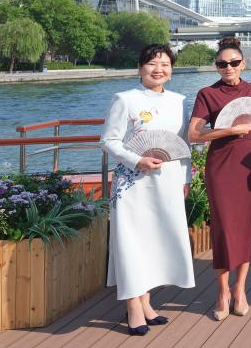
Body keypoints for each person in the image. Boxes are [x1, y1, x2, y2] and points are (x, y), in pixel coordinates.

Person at [101, 44, 194, 336]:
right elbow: (109, 140)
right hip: (133, 183)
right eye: (152, 63)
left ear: (172, 70)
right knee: (131, 243)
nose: (158, 69)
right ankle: (133, 306)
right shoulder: (125, 99)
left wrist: (186, 178)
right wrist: (136, 159)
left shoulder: (180, 101)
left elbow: (184, 146)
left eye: (165, 64)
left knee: (155, 243)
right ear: (140, 68)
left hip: (167, 182)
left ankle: (146, 302)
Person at [188, 37, 251, 320]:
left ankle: (240, 289)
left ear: (243, 64)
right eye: (222, 64)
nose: (229, 68)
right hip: (222, 166)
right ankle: (222, 290)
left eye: (234, 62)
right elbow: (194, 134)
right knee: (223, 229)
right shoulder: (207, 94)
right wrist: (229, 131)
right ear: (216, 66)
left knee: (249, 227)